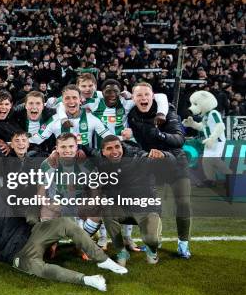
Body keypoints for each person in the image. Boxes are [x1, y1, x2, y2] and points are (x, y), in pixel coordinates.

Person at [0, 181, 127, 292]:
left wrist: (32, 219)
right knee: (40, 269)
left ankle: (103, 261)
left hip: (32, 235)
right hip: (16, 254)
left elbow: (28, 196)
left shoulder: (1, 199)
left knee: (65, 223)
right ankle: (88, 280)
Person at [125, 82, 192, 259]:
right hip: (152, 164)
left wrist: (159, 134)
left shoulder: (168, 112)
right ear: (133, 98)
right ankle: (156, 239)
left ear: (152, 95)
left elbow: (179, 140)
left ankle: (183, 244)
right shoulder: (132, 115)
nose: (143, 98)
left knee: (183, 203)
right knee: (154, 206)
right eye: (139, 95)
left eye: (146, 94)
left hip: (175, 162)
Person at [94, 135, 168, 266]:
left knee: (152, 239)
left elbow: (164, 162)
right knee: (106, 209)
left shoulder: (138, 158)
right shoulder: (102, 162)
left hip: (146, 209)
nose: (115, 151)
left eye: (117, 146)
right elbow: (88, 151)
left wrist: (164, 155)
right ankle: (121, 251)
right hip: (124, 209)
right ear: (103, 152)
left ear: (121, 146)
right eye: (109, 148)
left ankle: (152, 249)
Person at [40, 85, 111, 148]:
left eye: (74, 98)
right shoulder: (54, 117)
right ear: (63, 101)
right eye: (67, 98)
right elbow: (38, 137)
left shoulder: (91, 116)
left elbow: (107, 135)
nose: (71, 101)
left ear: (80, 100)